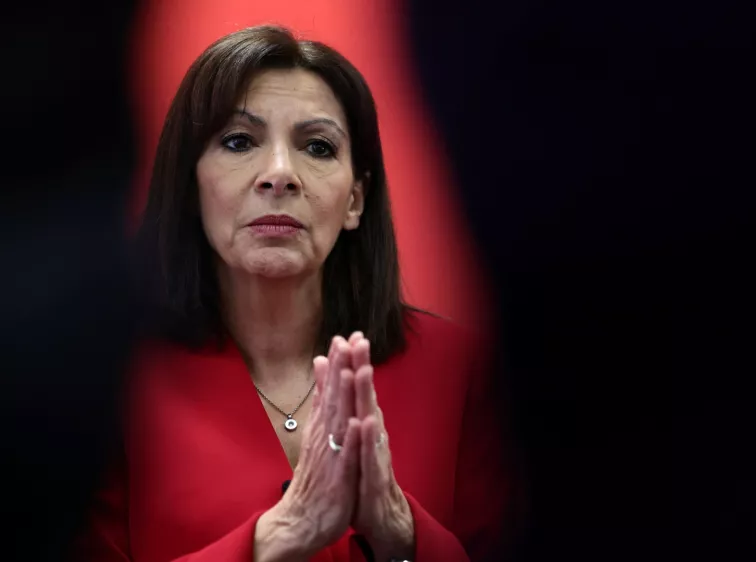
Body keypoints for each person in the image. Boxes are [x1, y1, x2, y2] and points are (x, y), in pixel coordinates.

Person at [75, 25, 514, 562]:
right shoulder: (110, 378)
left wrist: (400, 531)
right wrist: (275, 540)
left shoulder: (460, 367)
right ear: (189, 187)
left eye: (317, 147)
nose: (280, 174)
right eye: (239, 141)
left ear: (355, 200)